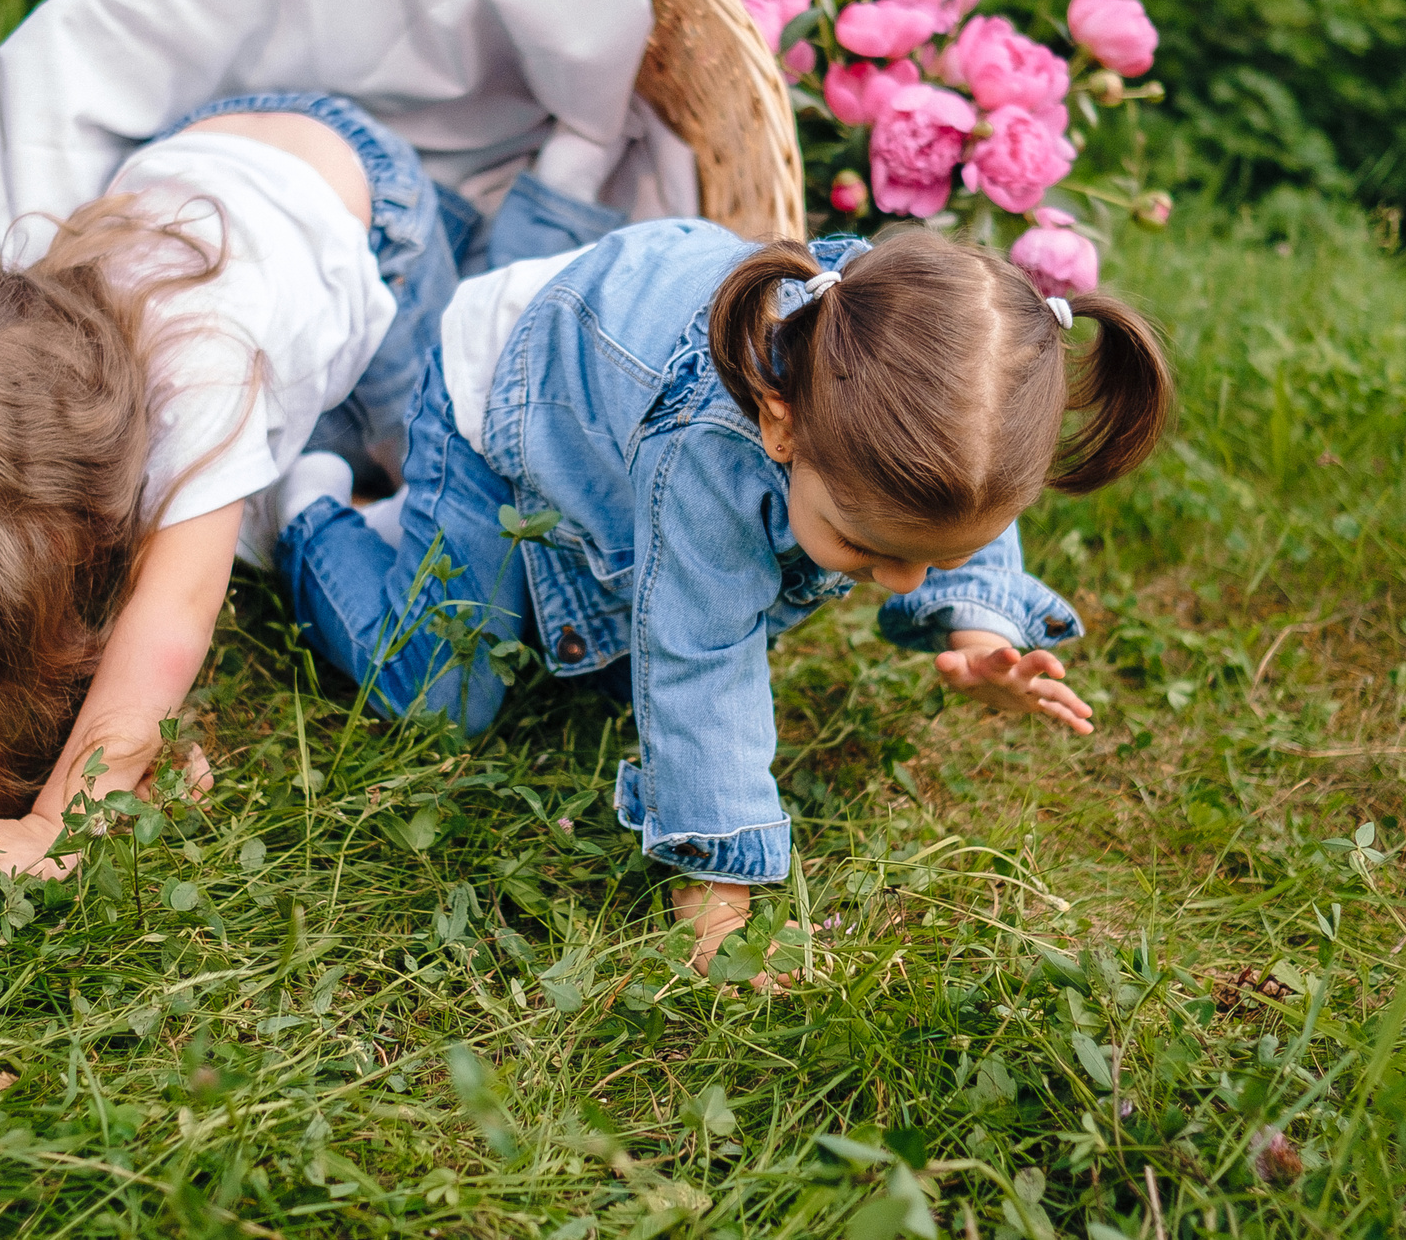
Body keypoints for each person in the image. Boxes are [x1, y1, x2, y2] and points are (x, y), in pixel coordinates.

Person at [270, 220, 1171, 963]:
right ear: (781, 427)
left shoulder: (930, 393)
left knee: (584, 641)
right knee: (439, 691)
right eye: (864, 544)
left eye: (932, 558)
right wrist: (720, 906)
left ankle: (418, 531)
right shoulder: (712, 442)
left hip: (613, 382)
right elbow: (700, 659)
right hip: (502, 391)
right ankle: (310, 505)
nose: (899, 581)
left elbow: (958, 498)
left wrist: (977, 627)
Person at [0, 92, 624, 872]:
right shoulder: (12, 316)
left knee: (460, 408)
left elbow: (173, 614)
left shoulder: (199, 377)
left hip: (370, 219)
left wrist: (62, 816)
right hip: (233, 149)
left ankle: (557, 199)